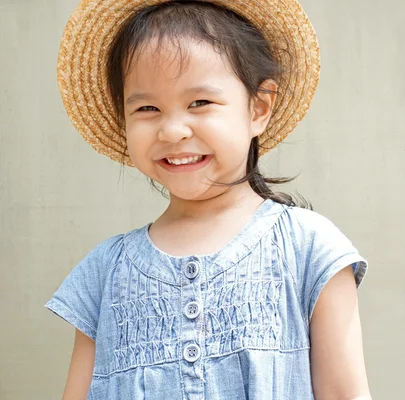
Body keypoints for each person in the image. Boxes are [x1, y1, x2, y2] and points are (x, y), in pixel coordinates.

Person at [45, 0, 370, 399]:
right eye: (148, 108)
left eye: (200, 102)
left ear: (259, 107)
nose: (173, 130)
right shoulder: (103, 274)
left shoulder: (310, 251)